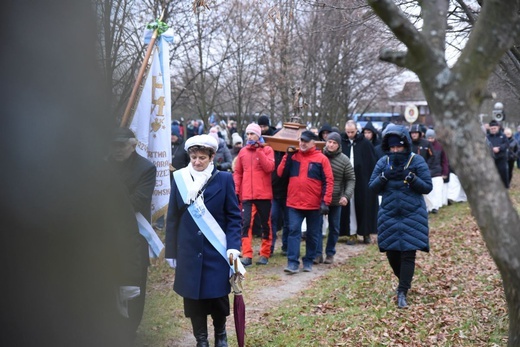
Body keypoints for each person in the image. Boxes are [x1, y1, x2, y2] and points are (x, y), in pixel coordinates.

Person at [165, 134, 243, 347]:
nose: (197, 162)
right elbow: (172, 218)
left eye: (202, 157)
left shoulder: (224, 179)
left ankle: (220, 335)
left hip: (216, 251)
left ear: (212, 157)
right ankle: (201, 339)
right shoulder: (180, 179)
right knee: (193, 299)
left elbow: (234, 217)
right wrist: (171, 251)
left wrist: (234, 248)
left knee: (217, 297)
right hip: (188, 251)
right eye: (194, 158)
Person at [368, 125, 432, 309]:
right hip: (389, 214)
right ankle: (404, 280)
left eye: (399, 147)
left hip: (413, 214)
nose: (396, 150)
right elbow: (372, 187)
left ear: (406, 145)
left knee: (408, 253)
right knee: (392, 253)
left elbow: (427, 187)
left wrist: (411, 178)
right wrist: (384, 177)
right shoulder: (383, 162)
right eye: (393, 147)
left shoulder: (416, 160)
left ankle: (402, 290)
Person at [108, 127, 157, 336]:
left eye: (122, 145)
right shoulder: (104, 166)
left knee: (134, 286)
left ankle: (132, 328)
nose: (117, 150)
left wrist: (106, 203)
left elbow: (138, 201)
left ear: (134, 145)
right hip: (106, 237)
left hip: (134, 237)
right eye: (113, 145)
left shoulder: (146, 168)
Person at [277, 130, 333, 274]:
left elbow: (328, 181)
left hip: (314, 204)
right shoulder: (293, 156)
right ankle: (292, 262)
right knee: (293, 231)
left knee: (313, 234)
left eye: (305, 141)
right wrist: (286, 156)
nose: (302, 143)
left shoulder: (322, 159)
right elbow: (280, 173)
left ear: (313, 143)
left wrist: (325, 202)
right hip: (294, 202)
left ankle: (308, 260)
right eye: (301, 140)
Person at [233, 123, 275, 266]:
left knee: (265, 225)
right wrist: (236, 190)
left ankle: (265, 253)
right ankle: (247, 255)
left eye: (252, 134)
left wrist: (260, 151)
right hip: (247, 195)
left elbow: (269, 167)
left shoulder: (268, 149)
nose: (250, 136)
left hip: (263, 195)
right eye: (248, 134)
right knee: (245, 225)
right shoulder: (243, 152)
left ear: (258, 135)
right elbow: (238, 172)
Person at [315, 132, 356, 264]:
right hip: (319, 199)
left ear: (338, 145)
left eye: (334, 143)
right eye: (329, 142)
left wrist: (346, 196)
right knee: (317, 227)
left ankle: (330, 253)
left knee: (334, 227)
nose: (331, 145)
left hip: (336, 199)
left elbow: (351, 179)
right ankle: (317, 253)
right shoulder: (319, 156)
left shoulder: (344, 160)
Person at [340, 121, 379, 244]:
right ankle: (352, 233)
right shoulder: (342, 142)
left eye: (352, 132)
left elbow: (372, 163)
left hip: (363, 179)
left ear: (357, 130)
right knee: (349, 206)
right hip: (346, 179)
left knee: (364, 205)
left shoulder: (365, 144)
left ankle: (366, 232)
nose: (350, 134)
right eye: (348, 132)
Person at [424, 129, 449, 212]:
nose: (430, 140)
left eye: (431, 138)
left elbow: (444, 160)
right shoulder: (424, 146)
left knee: (437, 191)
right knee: (429, 193)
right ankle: (429, 207)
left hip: (437, 172)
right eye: (428, 138)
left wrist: (445, 172)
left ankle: (435, 207)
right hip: (427, 172)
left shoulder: (439, 146)